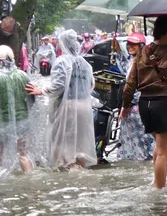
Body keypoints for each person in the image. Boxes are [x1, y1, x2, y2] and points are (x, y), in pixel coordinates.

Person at [121, 16, 167, 189]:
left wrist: (125, 105)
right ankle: (159, 193)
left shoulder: (142, 53)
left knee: (158, 146)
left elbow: (130, 83)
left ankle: (156, 182)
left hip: (145, 105)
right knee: (163, 152)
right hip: (164, 104)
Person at [26, 29, 97, 170]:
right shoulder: (85, 63)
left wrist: (42, 90)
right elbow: (91, 85)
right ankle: (82, 170)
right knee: (80, 143)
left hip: (67, 107)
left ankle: (70, 172)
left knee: (63, 141)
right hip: (84, 106)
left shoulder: (61, 62)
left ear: (63, 44)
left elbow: (58, 86)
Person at [116, 32, 155, 161]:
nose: (130, 47)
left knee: (143, 143)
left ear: (141, 46)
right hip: (134, 108)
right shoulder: (131, 61)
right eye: (129, 44)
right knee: (135, 145)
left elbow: (137, 89)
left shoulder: (143, 63)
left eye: (134, 44)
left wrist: (126, 106)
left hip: (138, 108)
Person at [0, 45, 34, 176]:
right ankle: (30, 179)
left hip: (2, 122)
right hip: (23, 120)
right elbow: (32, 99)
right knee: (23, 154)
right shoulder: (23, 75)